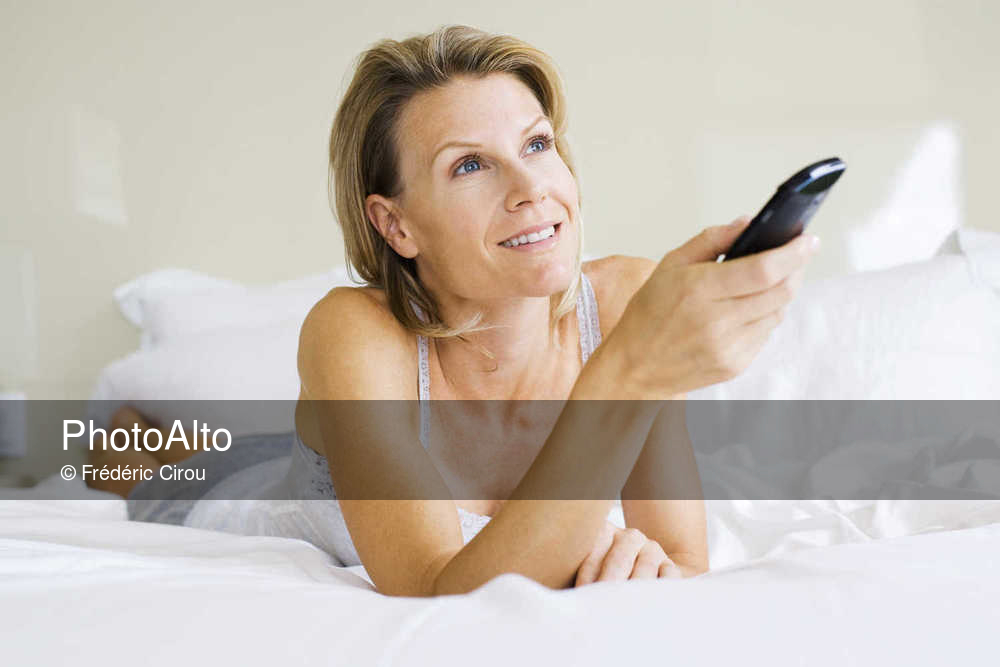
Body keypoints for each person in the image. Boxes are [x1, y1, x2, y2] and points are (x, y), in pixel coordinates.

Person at [97, 24, 819, 597]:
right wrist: (627, 374)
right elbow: (434, 590)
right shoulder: (351, 332)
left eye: (537, 143)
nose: (530, 187)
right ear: (396, 225)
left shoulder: (627, 300)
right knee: (149, 460)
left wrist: (646, 571)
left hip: (368, 447)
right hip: (255, 494)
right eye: (469, 165)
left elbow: (682, 559)